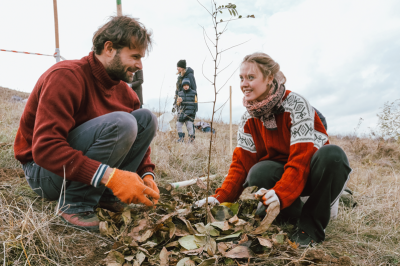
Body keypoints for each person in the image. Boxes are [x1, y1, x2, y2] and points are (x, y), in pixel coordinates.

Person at [13, 16, 160, 232]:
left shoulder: (126, 94)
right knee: (123, 122)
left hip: (76, 167)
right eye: (135, 56)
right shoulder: (65, 77)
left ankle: (107, 196)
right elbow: (45, 150)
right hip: (42, 171)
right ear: (109, 48)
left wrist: (146, 173)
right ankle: (75, 203)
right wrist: (111, 176)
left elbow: (141, 140)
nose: (139, 65)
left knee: (147, 119)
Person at [195, 52, 351, 247]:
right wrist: (218, 198)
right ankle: (294, 214)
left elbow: (301, 160)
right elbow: (240, 166)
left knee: (333, 155)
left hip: (310, 177)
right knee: (258, 171)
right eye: (241, 78)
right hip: (283, 180)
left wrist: (280, 194)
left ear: (269, 78)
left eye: (251, 77)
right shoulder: (247, 119)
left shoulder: (296, 105)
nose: (244, 84)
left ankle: (310, 226)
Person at [176, 78, 198, 142]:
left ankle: (191, 139)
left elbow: (195, 104)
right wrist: (179, 102)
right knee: (178, 124)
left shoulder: (194, 93)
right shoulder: (180, 93)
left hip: (190, 113)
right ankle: (181, 138)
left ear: (189, 85)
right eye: (184, 85)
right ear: (182, 86)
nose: (185, 87)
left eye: (187, 85)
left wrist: (194, 113)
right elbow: (178, 104)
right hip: (182, 113)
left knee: (190, 126)